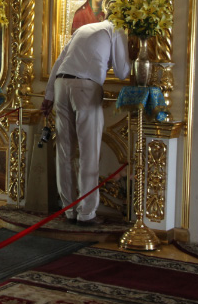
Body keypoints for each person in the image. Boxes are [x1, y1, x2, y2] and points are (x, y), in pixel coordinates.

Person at [40, 20, 130, 226]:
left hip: (61, 84)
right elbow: (122, 72)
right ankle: (87, 213)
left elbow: (59, 60)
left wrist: (48, 95)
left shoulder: (83, 28)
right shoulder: (116, 29)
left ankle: (69, 209)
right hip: (86, 87)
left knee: (64, 151)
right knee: (89, 152)